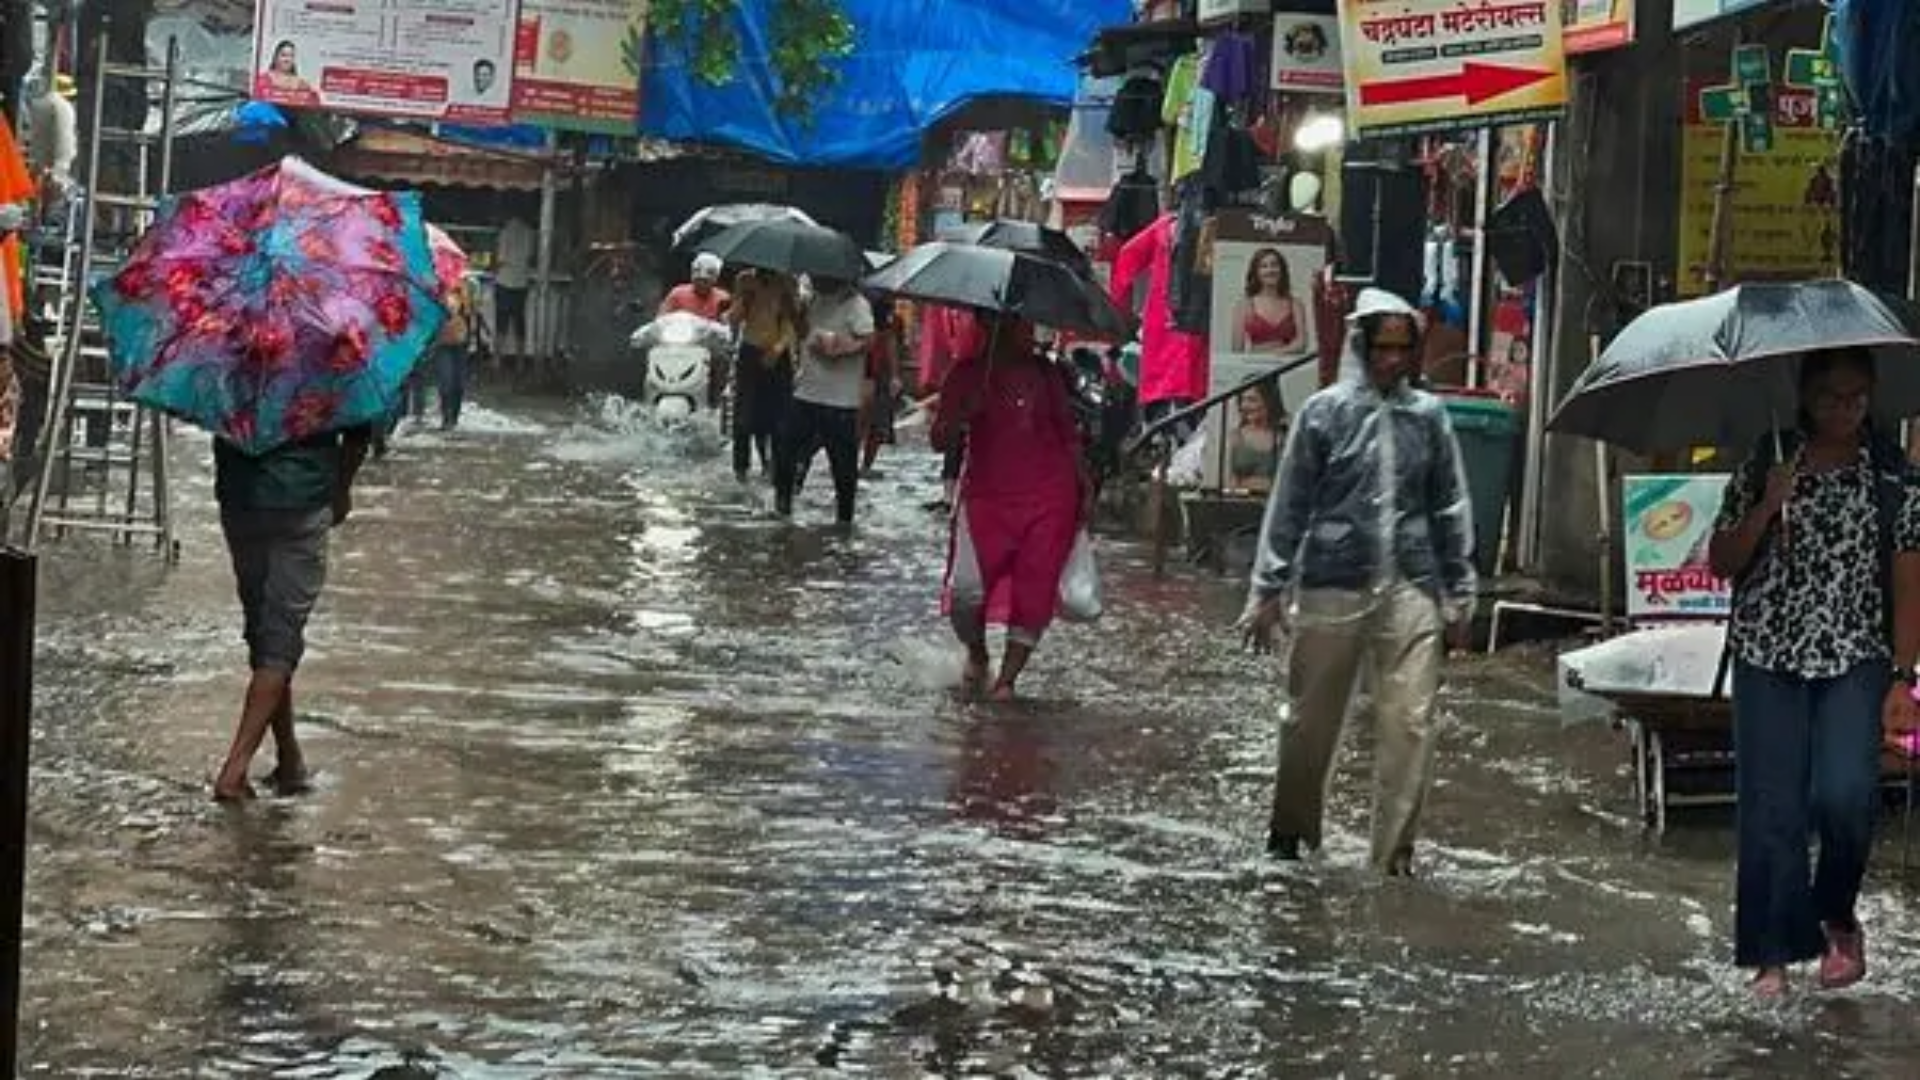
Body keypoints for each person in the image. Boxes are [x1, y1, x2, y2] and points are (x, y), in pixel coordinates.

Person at [1239, 288, 1476, 876]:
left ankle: (1392, 856)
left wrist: (1460, 595)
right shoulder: (1324, 414)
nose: (1394, 360)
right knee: (1308, 719)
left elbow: (1450, 504)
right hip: (1332, 579)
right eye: (1384, 348)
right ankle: (1291, 835)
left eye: (1403, 348)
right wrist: (1267, 590)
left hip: (1412, 583)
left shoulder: (1429, 417)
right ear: (1362, 347)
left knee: (1412, 722)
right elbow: (1290, 504)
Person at [1707, 347, 1920, 998]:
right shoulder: (1765, 458)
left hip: (1854, 656)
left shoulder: (1891, 475)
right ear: (1805, 396)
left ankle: (1835, 916)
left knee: (1845, 796)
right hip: (1768, 652)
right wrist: (1769, 504)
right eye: (1832, 397)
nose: (1845, 410)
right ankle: (1771, 956)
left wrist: (1903, 679)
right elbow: (1721, 560)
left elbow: (1910, 582)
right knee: (1772, 810)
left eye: (1857, 397)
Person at [211, 424, 374, 802]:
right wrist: (343, 487)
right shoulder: (330, 363)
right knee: (280, 638)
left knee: (264, 631)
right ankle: (234, 772)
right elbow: (359, 429)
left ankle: (289, 758)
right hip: (304, 497)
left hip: (240, 497)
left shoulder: (233, 363)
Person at [932, 318, 1092, 701]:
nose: (1030, 331)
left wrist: (1084, 486)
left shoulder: (1047, 375)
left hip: (1050, 495)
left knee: (1034, 585)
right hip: (985, 495)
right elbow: (939, 439)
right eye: (1021, 324)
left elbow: (1068, 435)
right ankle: (978, 653)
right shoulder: (967, 374)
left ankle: (1007, 680)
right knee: (967, 590)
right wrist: (963, 414)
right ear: (998, 326)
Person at [774, 276, 872, 524]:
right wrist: (790, 308)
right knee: (785, 451)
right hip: (807, 393)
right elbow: (804, 331)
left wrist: (841, 348)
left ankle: (844, 520)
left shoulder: (856, 304)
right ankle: (782, 507)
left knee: (843, 468)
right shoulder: (814, 300)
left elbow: (869, 339)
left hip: (840, 401)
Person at [727, 267, 800, 482]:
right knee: (743, 414)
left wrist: (778, 349)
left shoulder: (788, 282)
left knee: (779, 415)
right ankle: (741, 468)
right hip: (750, 349)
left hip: (779, 353)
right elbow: (734, 319)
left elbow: (791, 324)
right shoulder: (745, 279)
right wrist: (744, 299)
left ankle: (777, 466)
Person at [918, 304, 986, 510]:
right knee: (954, 436)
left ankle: (958, 494)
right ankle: (950, 495)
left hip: (980, 377)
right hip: (961, 377)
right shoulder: (947, 312)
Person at [860, 298, 903, 476]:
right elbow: (891, 352)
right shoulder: (884, 333)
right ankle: (865, 466)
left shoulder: (886, 332)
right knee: (873, 425)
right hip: (871, 378)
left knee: (873, 425)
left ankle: (863, 465)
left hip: (874, 379)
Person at [1231, 248, 1303, 355]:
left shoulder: (1295, 304)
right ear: (1256, 272)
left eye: (1274, 265)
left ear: (1282, 269)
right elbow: (1237, 350)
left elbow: (1301, 344)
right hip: (1255, 367)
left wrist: (1271, 355)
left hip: (1286, 368)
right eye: (1263, 266)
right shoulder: (1244, 304)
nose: (1270, 270)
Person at [1225, 379, 1286, 493]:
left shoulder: (1282, 436)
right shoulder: (1236, 436)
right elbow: (1231, 479)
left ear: (1268, 401)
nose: (1245, 406)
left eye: (1252, 400)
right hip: (1243, 502)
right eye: (1242, 400)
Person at [494, 214, 534, 371]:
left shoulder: (505, 232)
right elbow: (529, 257)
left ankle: (497, 360)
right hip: (521, 283)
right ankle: (520, 362)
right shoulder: (529, 232)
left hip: (504, 282)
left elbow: (501, 259)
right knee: (519, 323)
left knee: (501, 323)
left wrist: (493, 269)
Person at [661, 253, 731, 322]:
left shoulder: (723, 298)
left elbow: (727, 326)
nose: (701, 284)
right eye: (698, 279)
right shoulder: (678, 293)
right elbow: (661, 320)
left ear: (716, 278)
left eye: (705, 281)